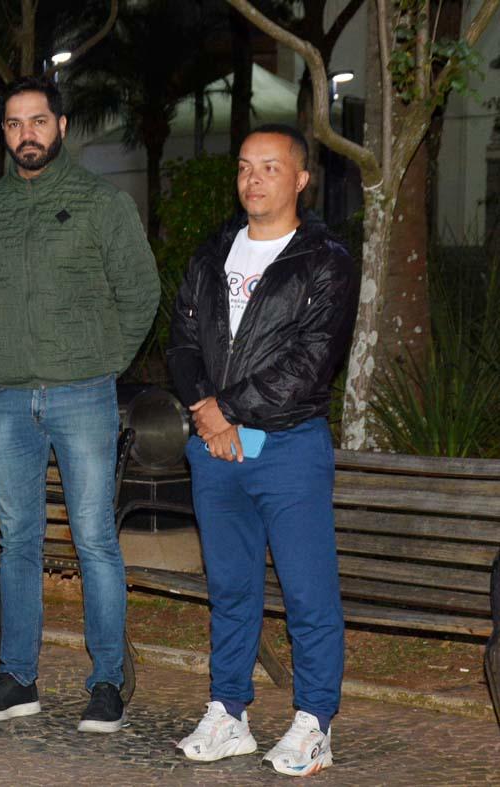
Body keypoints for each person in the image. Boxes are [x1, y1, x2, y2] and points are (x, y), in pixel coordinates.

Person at [0, 76, 159, 733]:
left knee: (94, 538)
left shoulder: (101, 202)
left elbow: (140, 290)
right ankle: (17, 676)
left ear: (61, 126)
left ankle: (105, 682)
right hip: (8, 398)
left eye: (37, 121)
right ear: (3, 134)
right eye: (13, 124)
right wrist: (15, 360)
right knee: (16, 538)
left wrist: (102, 361)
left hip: (82, 393)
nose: (26, 135)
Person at [168, 124, 356, 776]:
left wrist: (228, 408)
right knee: (229, 588)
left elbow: (309, 362)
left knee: (307, 592)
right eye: (245, 167)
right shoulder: (212, 251)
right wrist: (206, 413)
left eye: (269, 168)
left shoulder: (324, 259)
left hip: (288, 447)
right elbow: (181, 344)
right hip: (215, 449)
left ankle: (313, 723)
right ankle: (228, 712)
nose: (253, 179)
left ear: (300, 179)